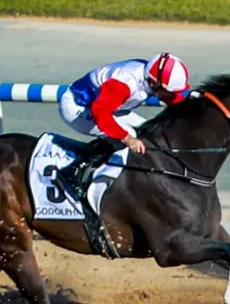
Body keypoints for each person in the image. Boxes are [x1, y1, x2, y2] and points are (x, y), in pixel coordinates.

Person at [55, 52, 191, 200]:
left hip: (105, 107)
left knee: (147, 132)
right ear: (155, 84)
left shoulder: (150, 76)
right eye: (169, 92)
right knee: (126, 136)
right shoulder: (124, 84)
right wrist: (127, 138)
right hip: (78, 108)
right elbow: (100, 113)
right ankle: (74, 173)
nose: (172, 95)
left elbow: (175, 100)